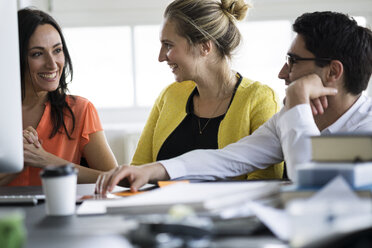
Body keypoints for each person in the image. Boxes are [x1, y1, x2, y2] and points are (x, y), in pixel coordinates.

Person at [96, 11, 372, 194]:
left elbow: (313, 183)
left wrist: (298, 100)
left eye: (294, 61)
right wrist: (152, 170)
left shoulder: (366, 130)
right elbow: (229, 159)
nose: (282, 73)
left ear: (333, 72)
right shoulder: (291, 115)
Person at [130, 0, 283, 180]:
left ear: (204, 46)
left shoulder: (260, 99)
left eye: (169, 45)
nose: (161, 57)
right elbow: (140, 170)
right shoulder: (169, 95)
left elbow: (264, 183)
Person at [0, 8, 118, 186]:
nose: (52, 63)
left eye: (57, 50)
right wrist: (19, 161)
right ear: (14, 57)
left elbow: (115, 181)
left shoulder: (80, 110)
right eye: (37, 54)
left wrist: (46, 160)